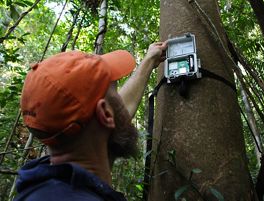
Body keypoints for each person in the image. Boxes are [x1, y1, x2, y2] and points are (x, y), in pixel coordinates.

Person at [14, 42, 167, 201]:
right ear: (106, 114)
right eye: (115, 90)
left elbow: (116, 114)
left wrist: (148, 62)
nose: (120, 100)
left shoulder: (44, 185)